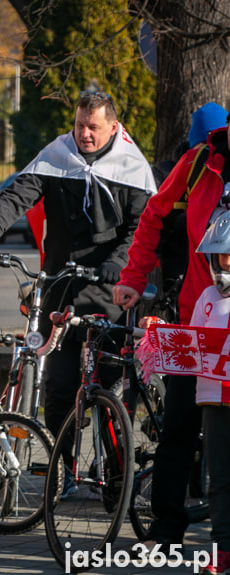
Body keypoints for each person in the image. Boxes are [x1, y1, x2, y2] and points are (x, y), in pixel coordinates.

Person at [0, 91, 155, 474]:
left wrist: (118, 261)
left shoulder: (131, 166)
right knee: (59, 386)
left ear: (112, 127)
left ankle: (115, 472)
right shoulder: (57, 156)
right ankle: (62, 468)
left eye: (93, 127)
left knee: (108, 388)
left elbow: (141, 226)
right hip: (62, 284)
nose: (85, 134)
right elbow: (14, 200)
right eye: (79, 125)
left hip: (110, 289)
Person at [113, 103, 229, 549]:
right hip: (194, 320)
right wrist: (132, 278)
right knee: (179, 426)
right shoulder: (200, 161)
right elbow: (154, 216)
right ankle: (166, 530)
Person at [186, 210, 230, 574]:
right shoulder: (207, 298)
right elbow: (191, 342)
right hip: (214, 399)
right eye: (220, 257)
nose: (225, 264)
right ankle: (222, 547)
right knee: (220, 477)